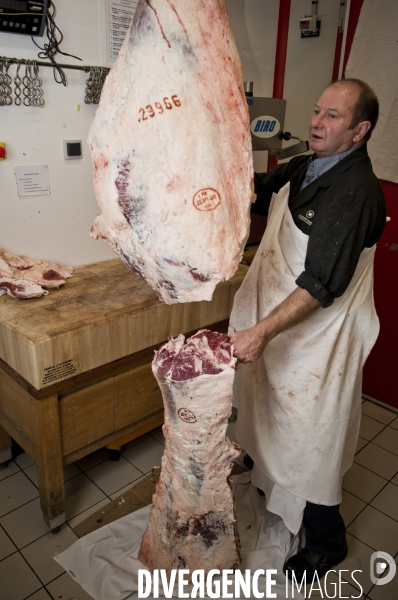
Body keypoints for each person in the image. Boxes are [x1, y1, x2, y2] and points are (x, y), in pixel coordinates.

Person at [229, 78, 386, 582]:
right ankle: (265, 481)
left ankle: (325, 543)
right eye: (316, 111)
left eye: (333, 117)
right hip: (282, 328)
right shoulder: (307, 164)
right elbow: (260, 198)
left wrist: (259, 333)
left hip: (321, 338)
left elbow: (321, 284)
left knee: (310, 436)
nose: (317, 123)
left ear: (359, 131)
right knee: (265, 412)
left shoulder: (355, 192)